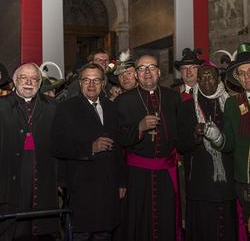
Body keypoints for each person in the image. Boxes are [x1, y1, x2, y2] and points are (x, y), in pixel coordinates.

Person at [51, 63, 126, 241]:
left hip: (108, 188)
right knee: (81, 235)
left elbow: (119, 148)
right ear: (80, 83)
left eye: (96, 80)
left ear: (103, 83)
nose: (91, 85)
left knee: (105, 234)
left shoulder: (112, 107)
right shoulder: (66, 108)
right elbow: (57, 145)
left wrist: (122, 181)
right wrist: (90, 148)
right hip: (81, 189)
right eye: (86, 80)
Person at [116, 55, 182, 241]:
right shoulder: (123, 101)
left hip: (166, 174)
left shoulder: (173, 97)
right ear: (136, 75)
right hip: (136, 176)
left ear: (159, 72)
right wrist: (140, 128)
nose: (147, 72)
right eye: (142, 68)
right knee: (138, 220)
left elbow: (180, 135)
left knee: (166, 218)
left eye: (151, 67)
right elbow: (118, 140)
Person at [177, 61, 236, 241]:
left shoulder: (230, 104)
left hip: (227, 181)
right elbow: (180, 145)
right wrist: (195, 134)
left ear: (219, 79)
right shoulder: (186, 107)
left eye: (211, 77)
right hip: (200, 183)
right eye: (202, 78)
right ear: (198, 81)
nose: (206, 82)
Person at [0, 63, 59, 241]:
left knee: (40, 231)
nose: (28, 82)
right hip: (10, 173)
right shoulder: (1, 106)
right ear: (14, 82)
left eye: (34, 79)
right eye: (23, 78)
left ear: (40, 83)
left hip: (43, 174)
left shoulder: (53, 107)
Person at [204, 43, 250, 236]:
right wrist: (217, 137)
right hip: (244, 181)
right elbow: (229, 143)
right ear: (237, 78)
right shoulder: (233, 103)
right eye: (242, 73)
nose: (247, 77)